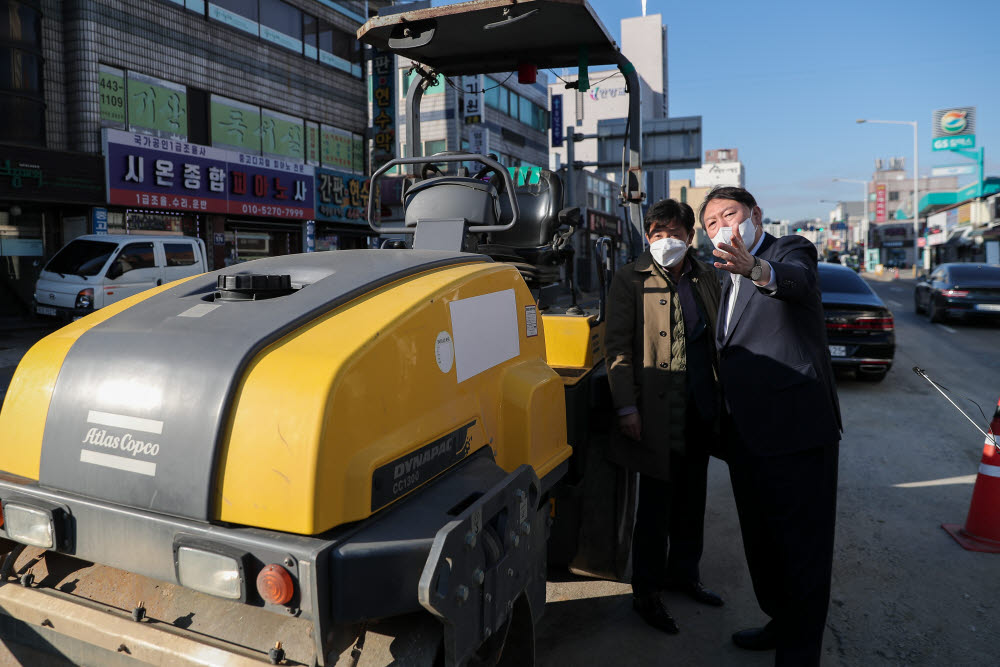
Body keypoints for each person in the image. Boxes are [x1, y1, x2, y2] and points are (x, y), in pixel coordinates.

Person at [699, 186, 842, 666]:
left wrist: (757, 269)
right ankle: (780, 623)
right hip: (747, 437)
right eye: (712, 222)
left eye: (730, 214)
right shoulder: (721, 279)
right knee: (763, 545)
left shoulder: (787, 250)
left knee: (802, 549)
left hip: (796, 433)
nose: (722, 227)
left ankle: (800, 654)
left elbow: (795, 280)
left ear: (756, 215)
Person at [605, 198, 725, 635]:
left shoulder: (706, 274)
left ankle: (685, 575)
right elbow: (616, 348)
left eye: (675, 233)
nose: (666, 241)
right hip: (655, 412)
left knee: (693, 501)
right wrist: (627, 407)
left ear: (690, 237)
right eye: (658, 234)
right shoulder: (628, 278)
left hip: (700, 405)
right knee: (655, 507)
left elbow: (720, 334)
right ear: (647, 237)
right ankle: (647, 592)